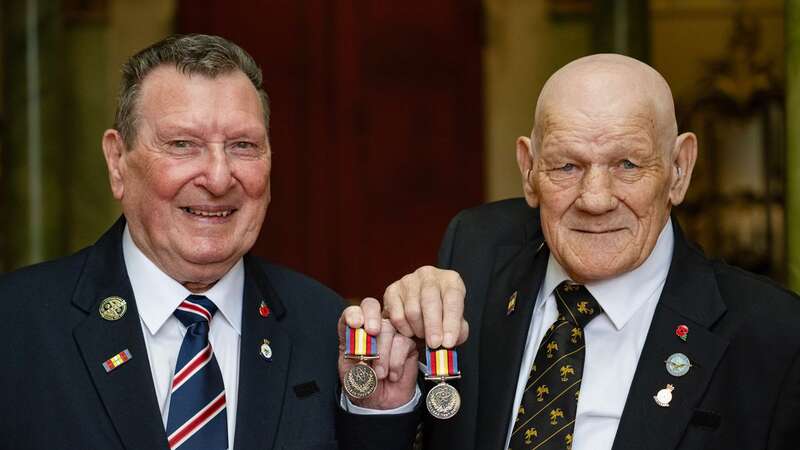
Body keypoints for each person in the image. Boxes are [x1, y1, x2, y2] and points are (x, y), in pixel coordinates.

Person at [359, 54, 800, 449]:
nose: (595, 199)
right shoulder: (478, 253)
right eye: (566, 166)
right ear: (529, 170)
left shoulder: (774, 337)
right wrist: (386, 403)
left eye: (627, 165)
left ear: (679, 170)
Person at [0, 34, 418, 450]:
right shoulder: (16, 324)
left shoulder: (329, 332)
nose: (218, 179)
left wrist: (376, 417)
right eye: (183, 144)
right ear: (117, 162)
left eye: (243, 146)